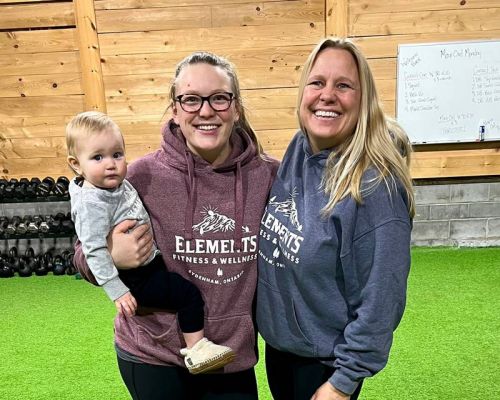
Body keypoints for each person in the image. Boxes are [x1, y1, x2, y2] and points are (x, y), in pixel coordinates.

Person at [72, 52, 279, 399]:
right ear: (175, 108)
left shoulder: (267, 175)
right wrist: (112, 254)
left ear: (236, 107)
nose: (206, 110)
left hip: (228, 355)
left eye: (220, 98)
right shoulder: (140, 175)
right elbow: (81, 255)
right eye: (192, 99)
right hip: (153, 354)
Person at [256, 37, 415, 400]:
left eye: (343, 85)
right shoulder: (300, 146)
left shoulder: (375, 189)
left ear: (364, 100)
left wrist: (342, 384)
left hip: (325, 366)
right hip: (282, 351)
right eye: (317, 82)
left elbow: (382, 298)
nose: (327, 95)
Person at [66, 111, 235, 374]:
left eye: (117, 155)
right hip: (136, 277)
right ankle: (196, 348)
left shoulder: (116, 185)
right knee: (187, 295)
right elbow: (91, 250)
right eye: (98, 157)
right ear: (76, 164)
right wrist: (117, 287)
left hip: (148, 267)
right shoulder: (92, 202)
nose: (110, 164)